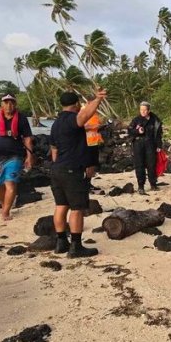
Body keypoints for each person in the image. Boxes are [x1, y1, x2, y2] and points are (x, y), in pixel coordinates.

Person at [50, 90, 107, 258]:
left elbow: (54, 149)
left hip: (57, 168)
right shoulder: (71, 119)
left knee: (61, 206)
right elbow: (85, 115)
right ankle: (76, 246)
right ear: (76, 105)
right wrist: (98, 99)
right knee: (77, 208)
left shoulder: (56, 123)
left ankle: (61, 242)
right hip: (72, 169)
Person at [127, 102, 163, 195]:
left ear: (149, 110)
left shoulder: (155, 120)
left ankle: (153, 184)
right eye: (141, 110)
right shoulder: (136, 120)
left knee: (152, 164)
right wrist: (137, 131)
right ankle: (141, 186)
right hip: (138, 144)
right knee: (139, 165)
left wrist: (159, 145)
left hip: (151, 143)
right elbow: (130, 131)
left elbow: (159, 133)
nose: (142, 112)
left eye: (144, 110)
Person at [83, 105, 105, 190]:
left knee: (93, 164)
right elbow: (79, 126)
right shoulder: (83, 112)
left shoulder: (95, 113)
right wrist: (92, 127)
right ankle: (85, 183)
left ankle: (88, 182)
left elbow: (97, 125)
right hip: (86, 143)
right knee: (87, 164)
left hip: (94, 142)